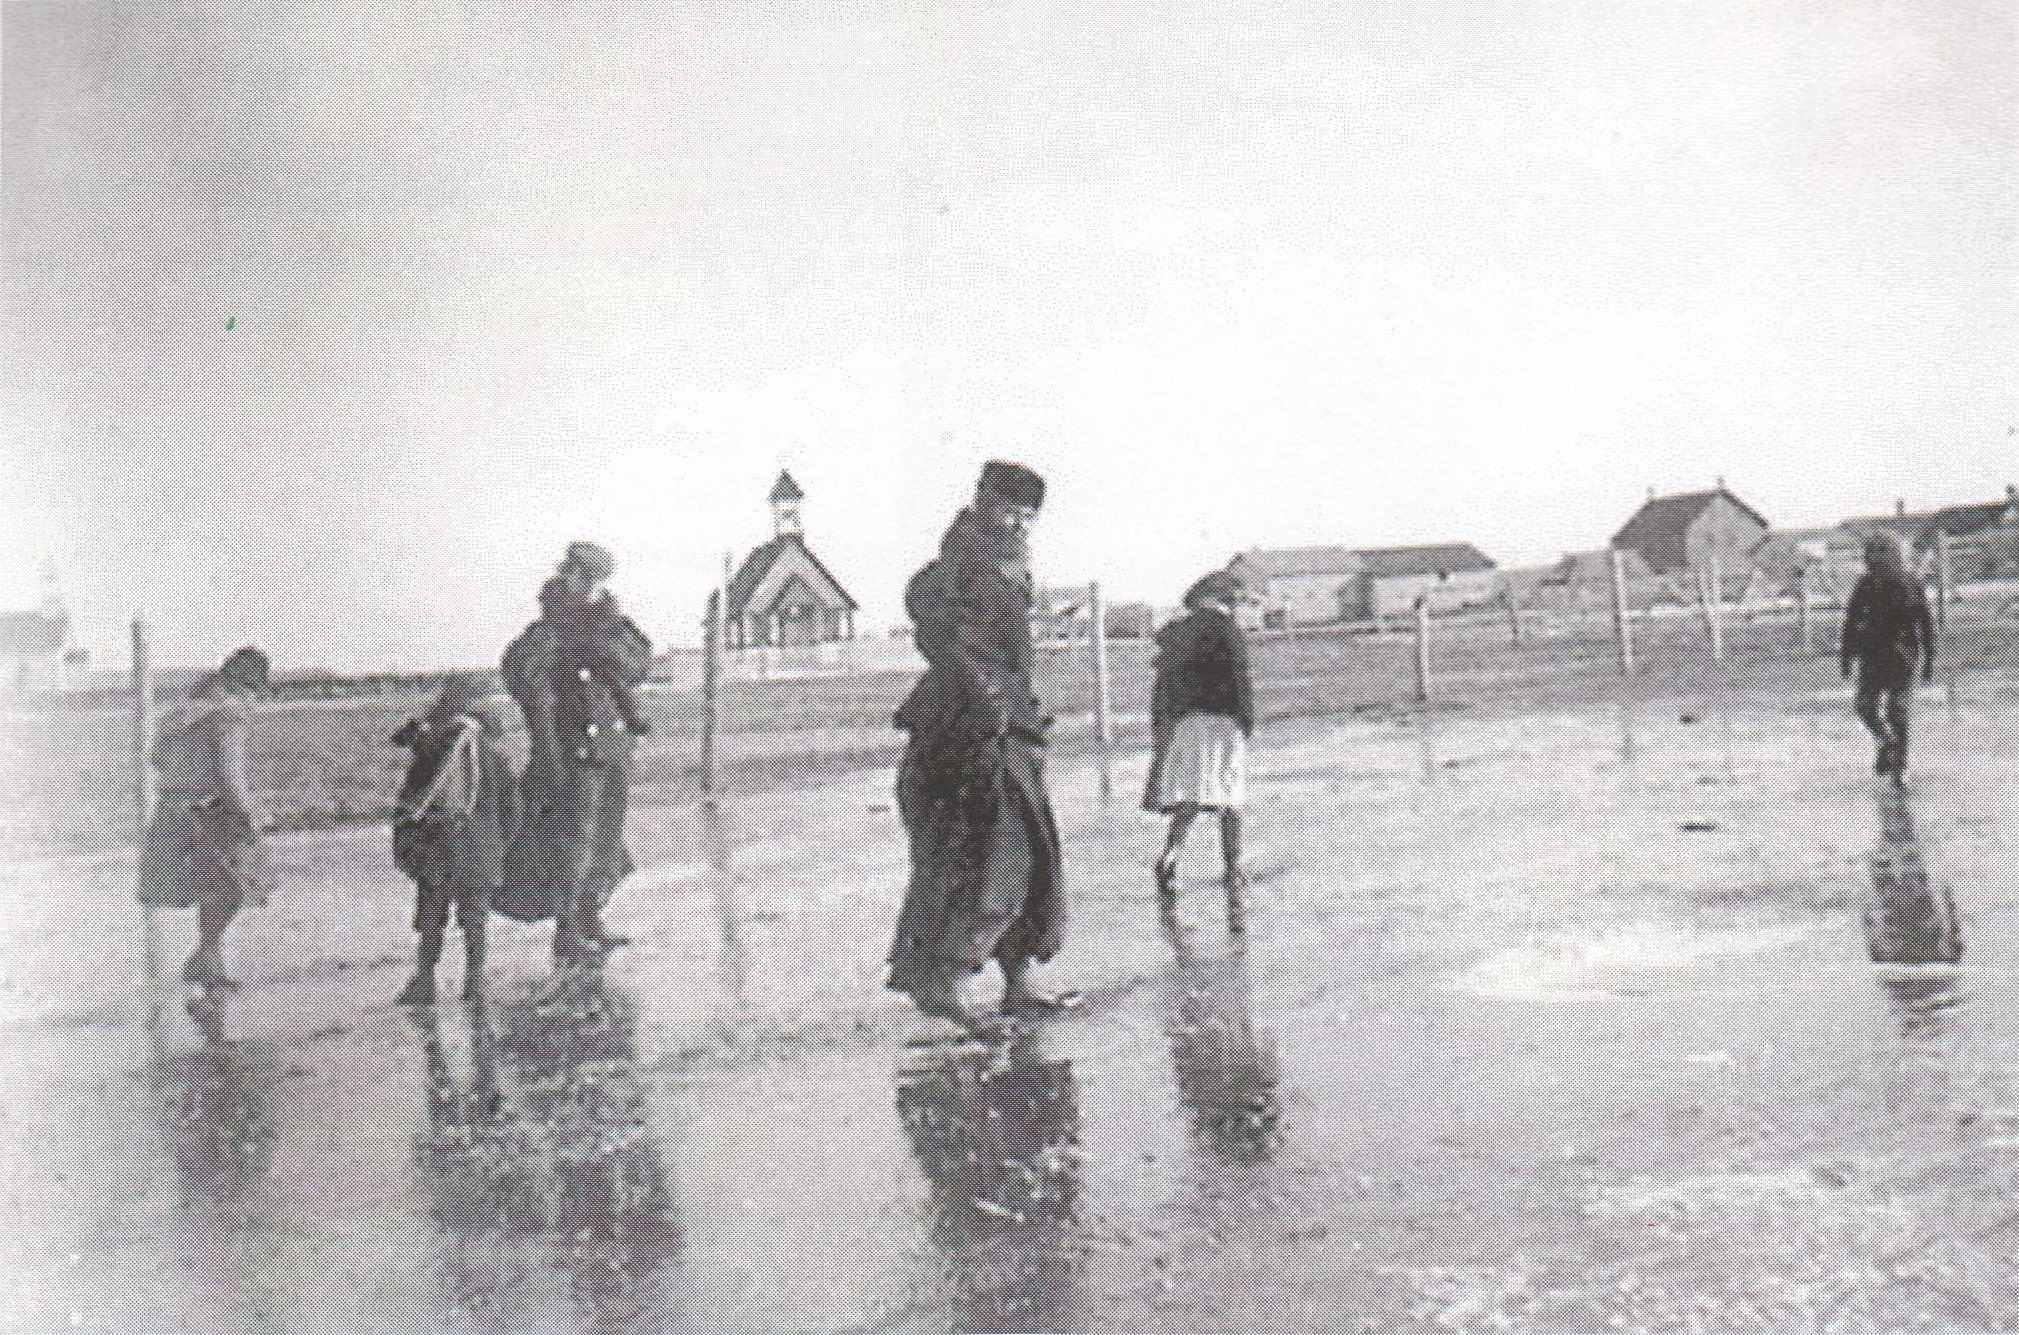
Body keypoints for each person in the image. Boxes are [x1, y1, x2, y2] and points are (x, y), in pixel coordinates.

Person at [886, 460, 1067, 1032]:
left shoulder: (999, 559)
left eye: (1027, 514)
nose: (1019, 523)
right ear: (986, 501)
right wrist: (989, 703)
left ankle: (1017, 979)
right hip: (969, 729)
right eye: (1010, 509)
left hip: (1006, 722)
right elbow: (952, 642)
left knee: (1028, 853)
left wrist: (1017, 708)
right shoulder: (967, 561)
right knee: (983, 856)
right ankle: (948, 983)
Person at [502, 542, 654, 971]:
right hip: (571, 748)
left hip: (611, 744)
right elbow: (519, 671)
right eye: (570, 572)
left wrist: (606, 638)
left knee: (606, 833)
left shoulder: (610, 624)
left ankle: (589, 915)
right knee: (574, 838)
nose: (574, 581)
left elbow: (638, 664)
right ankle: (566, 929)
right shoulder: (552, 625)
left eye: (583, 577)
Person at [137, 646, 276, 989]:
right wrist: (251, 813)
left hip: (171, 811)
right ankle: (206, 955)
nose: (256, 701)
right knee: (238, 884)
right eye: (257, 692)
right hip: (209, 812)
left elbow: (155, 758)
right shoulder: (230, 714)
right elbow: (231, 773)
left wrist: (185, 774)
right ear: (249, 686)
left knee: (210, 887)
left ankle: (209, 961)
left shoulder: (180, 712)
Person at [390, 674, 521, 1005]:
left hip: (437, 847)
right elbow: (512, 809)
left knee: (432, 919)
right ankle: (474, 983)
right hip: (481, 850)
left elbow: (410, 803)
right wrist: (499, 845)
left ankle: (424, 980)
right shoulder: (493, 755)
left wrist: (409, 848)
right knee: (475, 921)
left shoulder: (431, 751)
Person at [1147, 571, 1255, 907]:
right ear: (1225, 600)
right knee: (1230, 797)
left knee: (1191, 795)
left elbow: (1163, 686)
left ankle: (1170, 857)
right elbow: (1240, 678)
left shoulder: (1178, 633)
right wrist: (1247, 718)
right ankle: (1233, 867)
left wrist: (1165, 724)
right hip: (1223, 721)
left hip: (1189, 723)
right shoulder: (1229, 632)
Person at [1841, 533, 1936, 786]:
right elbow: (1851, 621)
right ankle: (1886, 741)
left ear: (1896, 554)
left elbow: (1925, 623)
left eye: (1883, 551)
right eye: (1871, 552)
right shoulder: (1866, 585)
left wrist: (1929, 659)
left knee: (1898, 710)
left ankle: (1900, 767)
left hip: (1902, 656)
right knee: (1864, 706)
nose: (1876, 557)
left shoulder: (1910, 583)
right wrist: (1846, 656)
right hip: (1872, 655)